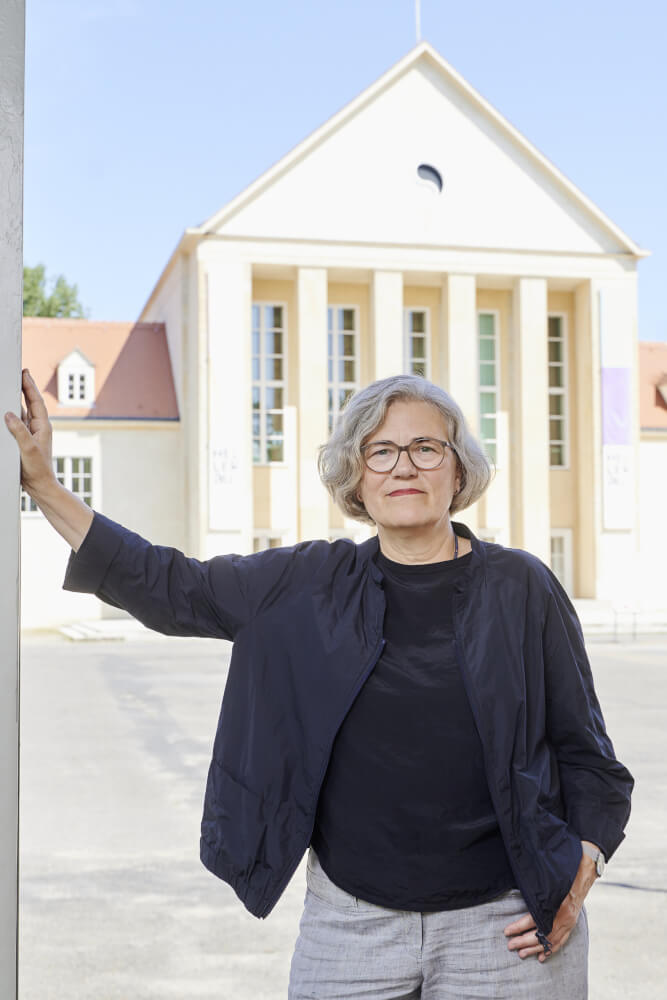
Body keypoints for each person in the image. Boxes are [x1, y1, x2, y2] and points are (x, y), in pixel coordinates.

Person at [6, 369, 633, 999]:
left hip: (504, 928)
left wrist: (576, 879)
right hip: (351, 929)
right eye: (379, 451)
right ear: (355, 477)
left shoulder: (523, 588)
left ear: (459, 469)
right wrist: (47, 488)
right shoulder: (306, 583)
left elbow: (589, 759)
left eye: (426, 448)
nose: (403, 466)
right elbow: (172, 585)